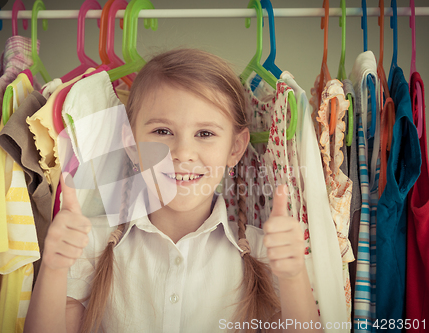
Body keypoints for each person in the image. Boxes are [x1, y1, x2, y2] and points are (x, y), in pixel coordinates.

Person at [24, 49, 322, 333]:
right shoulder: (89, 245)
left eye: (205, 134)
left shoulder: (264, 253)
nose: (182, 153)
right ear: (131, 143)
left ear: (235, 149)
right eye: (163, 132)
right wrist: (53, 268)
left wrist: (294, 277)